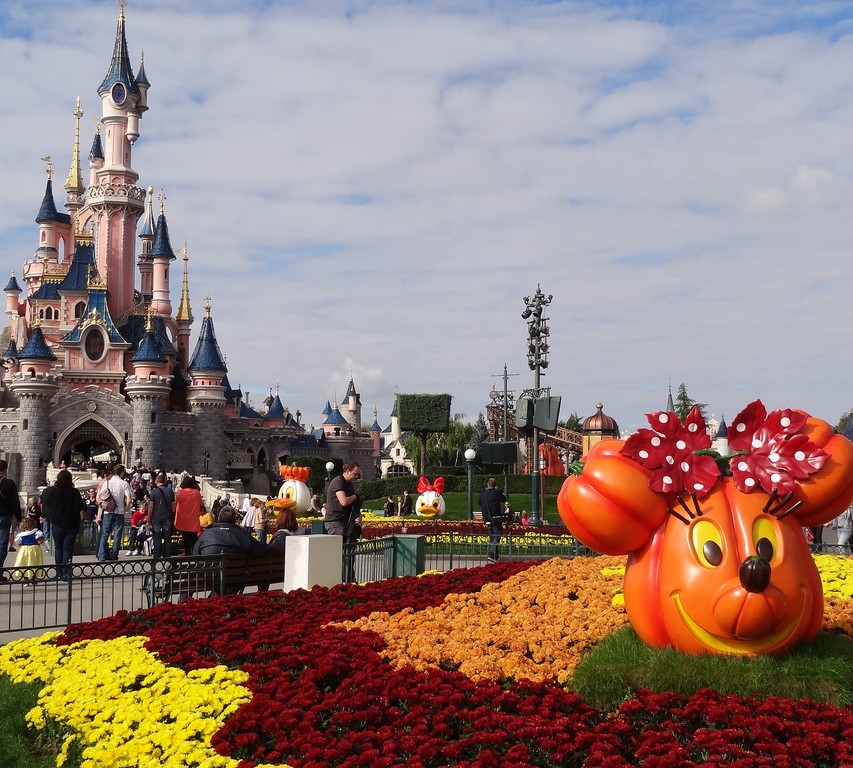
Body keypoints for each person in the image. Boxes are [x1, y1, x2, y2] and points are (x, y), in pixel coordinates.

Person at [41, 469, 86, 579]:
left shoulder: (49, 491)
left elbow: (44, 507)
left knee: (58, 547)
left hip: (57, 523)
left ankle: (59, 571)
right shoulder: (74, 492)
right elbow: (80, 508)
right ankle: (66, 571)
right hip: (72, 523)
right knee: (68, 548)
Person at [325, 461, 362, 581]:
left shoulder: (349, 484)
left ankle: (349, 579)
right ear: (347, 471)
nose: (357, 476)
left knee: (348, 553)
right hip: (335, 522)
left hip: (346, 521)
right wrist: (355, 497)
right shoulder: (338, 482)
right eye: (355, 474)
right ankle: (340, 580)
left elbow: (352, 505)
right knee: (341, 554)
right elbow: (344, 501)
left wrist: (358, 515)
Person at [193, 506, 268, 557]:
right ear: (234, 520)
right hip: (237, 577)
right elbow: (259, 549)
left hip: (209, 576)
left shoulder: (206, 534)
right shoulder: (242, 534)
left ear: (219, 519)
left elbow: (195, 552)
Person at [96, 464, 132, 562]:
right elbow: (129, 499)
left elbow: (100, 498)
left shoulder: (106, 483)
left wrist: (99, 515)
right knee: (117, 534)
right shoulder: (124, 483)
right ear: (121, 472)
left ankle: (102, 555)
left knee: (105, 534)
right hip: (119, 512)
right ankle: (114, 555)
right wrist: (126, 509)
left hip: (108, 511)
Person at [0, 459, 23, 574]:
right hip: (4, 516)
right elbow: (15, 502)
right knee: (2, 543)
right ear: (5, 470)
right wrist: (18, 518)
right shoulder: (9, 483)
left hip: (5, 516)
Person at [148, 473, 176, 559]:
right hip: (167, 517)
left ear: (157, 482)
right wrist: (173, 514)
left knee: (157, 536)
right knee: (167, 537)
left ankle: (157, 555)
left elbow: (151, 506)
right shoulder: (170, 491)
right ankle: (167, 555)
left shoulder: (154, 492)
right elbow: (173, 505)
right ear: (164, 481)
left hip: (156, 517)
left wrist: (149, 518)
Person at [479, 477, 506, 563]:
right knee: (496, 537)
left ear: (487, 484)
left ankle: (495, 556)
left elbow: (479, 502)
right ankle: (492, 555)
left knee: (492, 537)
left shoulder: (483, 494)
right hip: (496, 518)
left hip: (487, 518)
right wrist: (497, 491)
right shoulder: (497, 492)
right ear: (495, 485)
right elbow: (504, 499)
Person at [174, 475, 203, 555]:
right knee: (194, 538)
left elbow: (174, 504)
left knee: (185, 538)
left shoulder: (179, 493)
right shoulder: (197, 493)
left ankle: (187, 553)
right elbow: (201, 504)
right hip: (193, 519)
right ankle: (195, 553)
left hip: (182, 519)